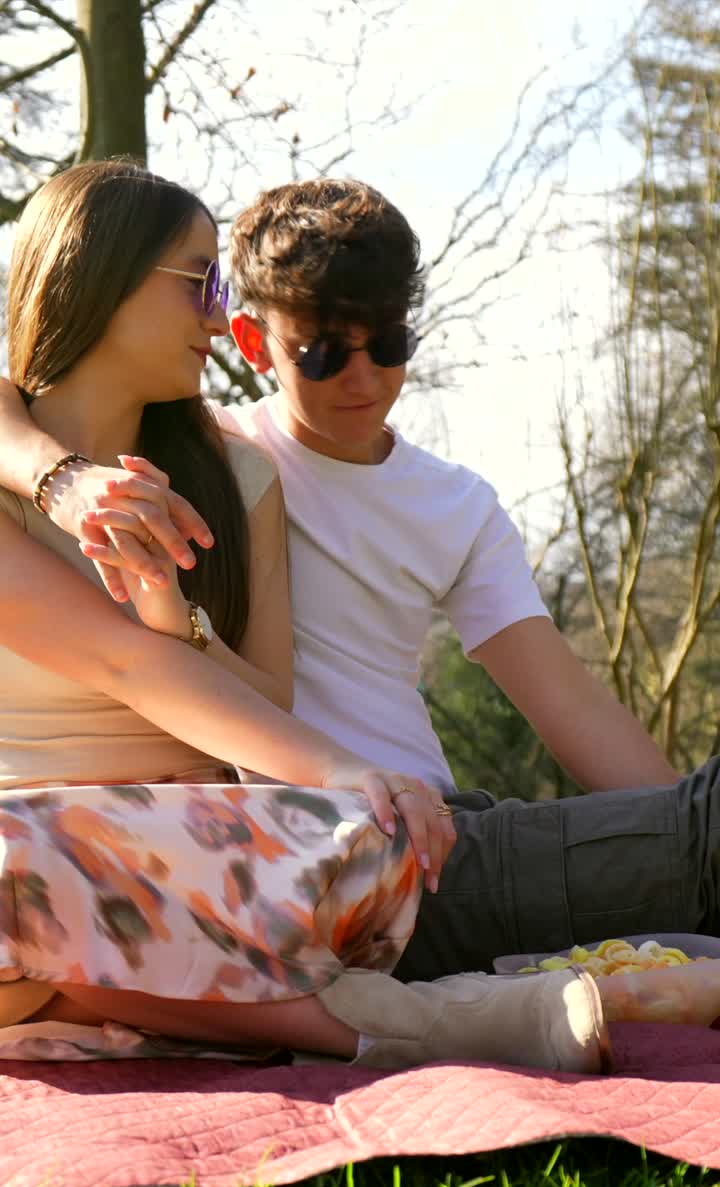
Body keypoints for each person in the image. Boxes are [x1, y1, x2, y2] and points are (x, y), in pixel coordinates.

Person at [2, 171, 720, 1069]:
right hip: (277, 850)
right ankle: (451, 1017)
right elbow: (124, 662)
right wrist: (57, 476)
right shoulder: (208, 447)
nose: (365, 377)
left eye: (390, 344)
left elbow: (562, 703)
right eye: (323, 353)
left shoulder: (242, 476)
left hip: (367, 842)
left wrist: (178, 614)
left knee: (689, 843)